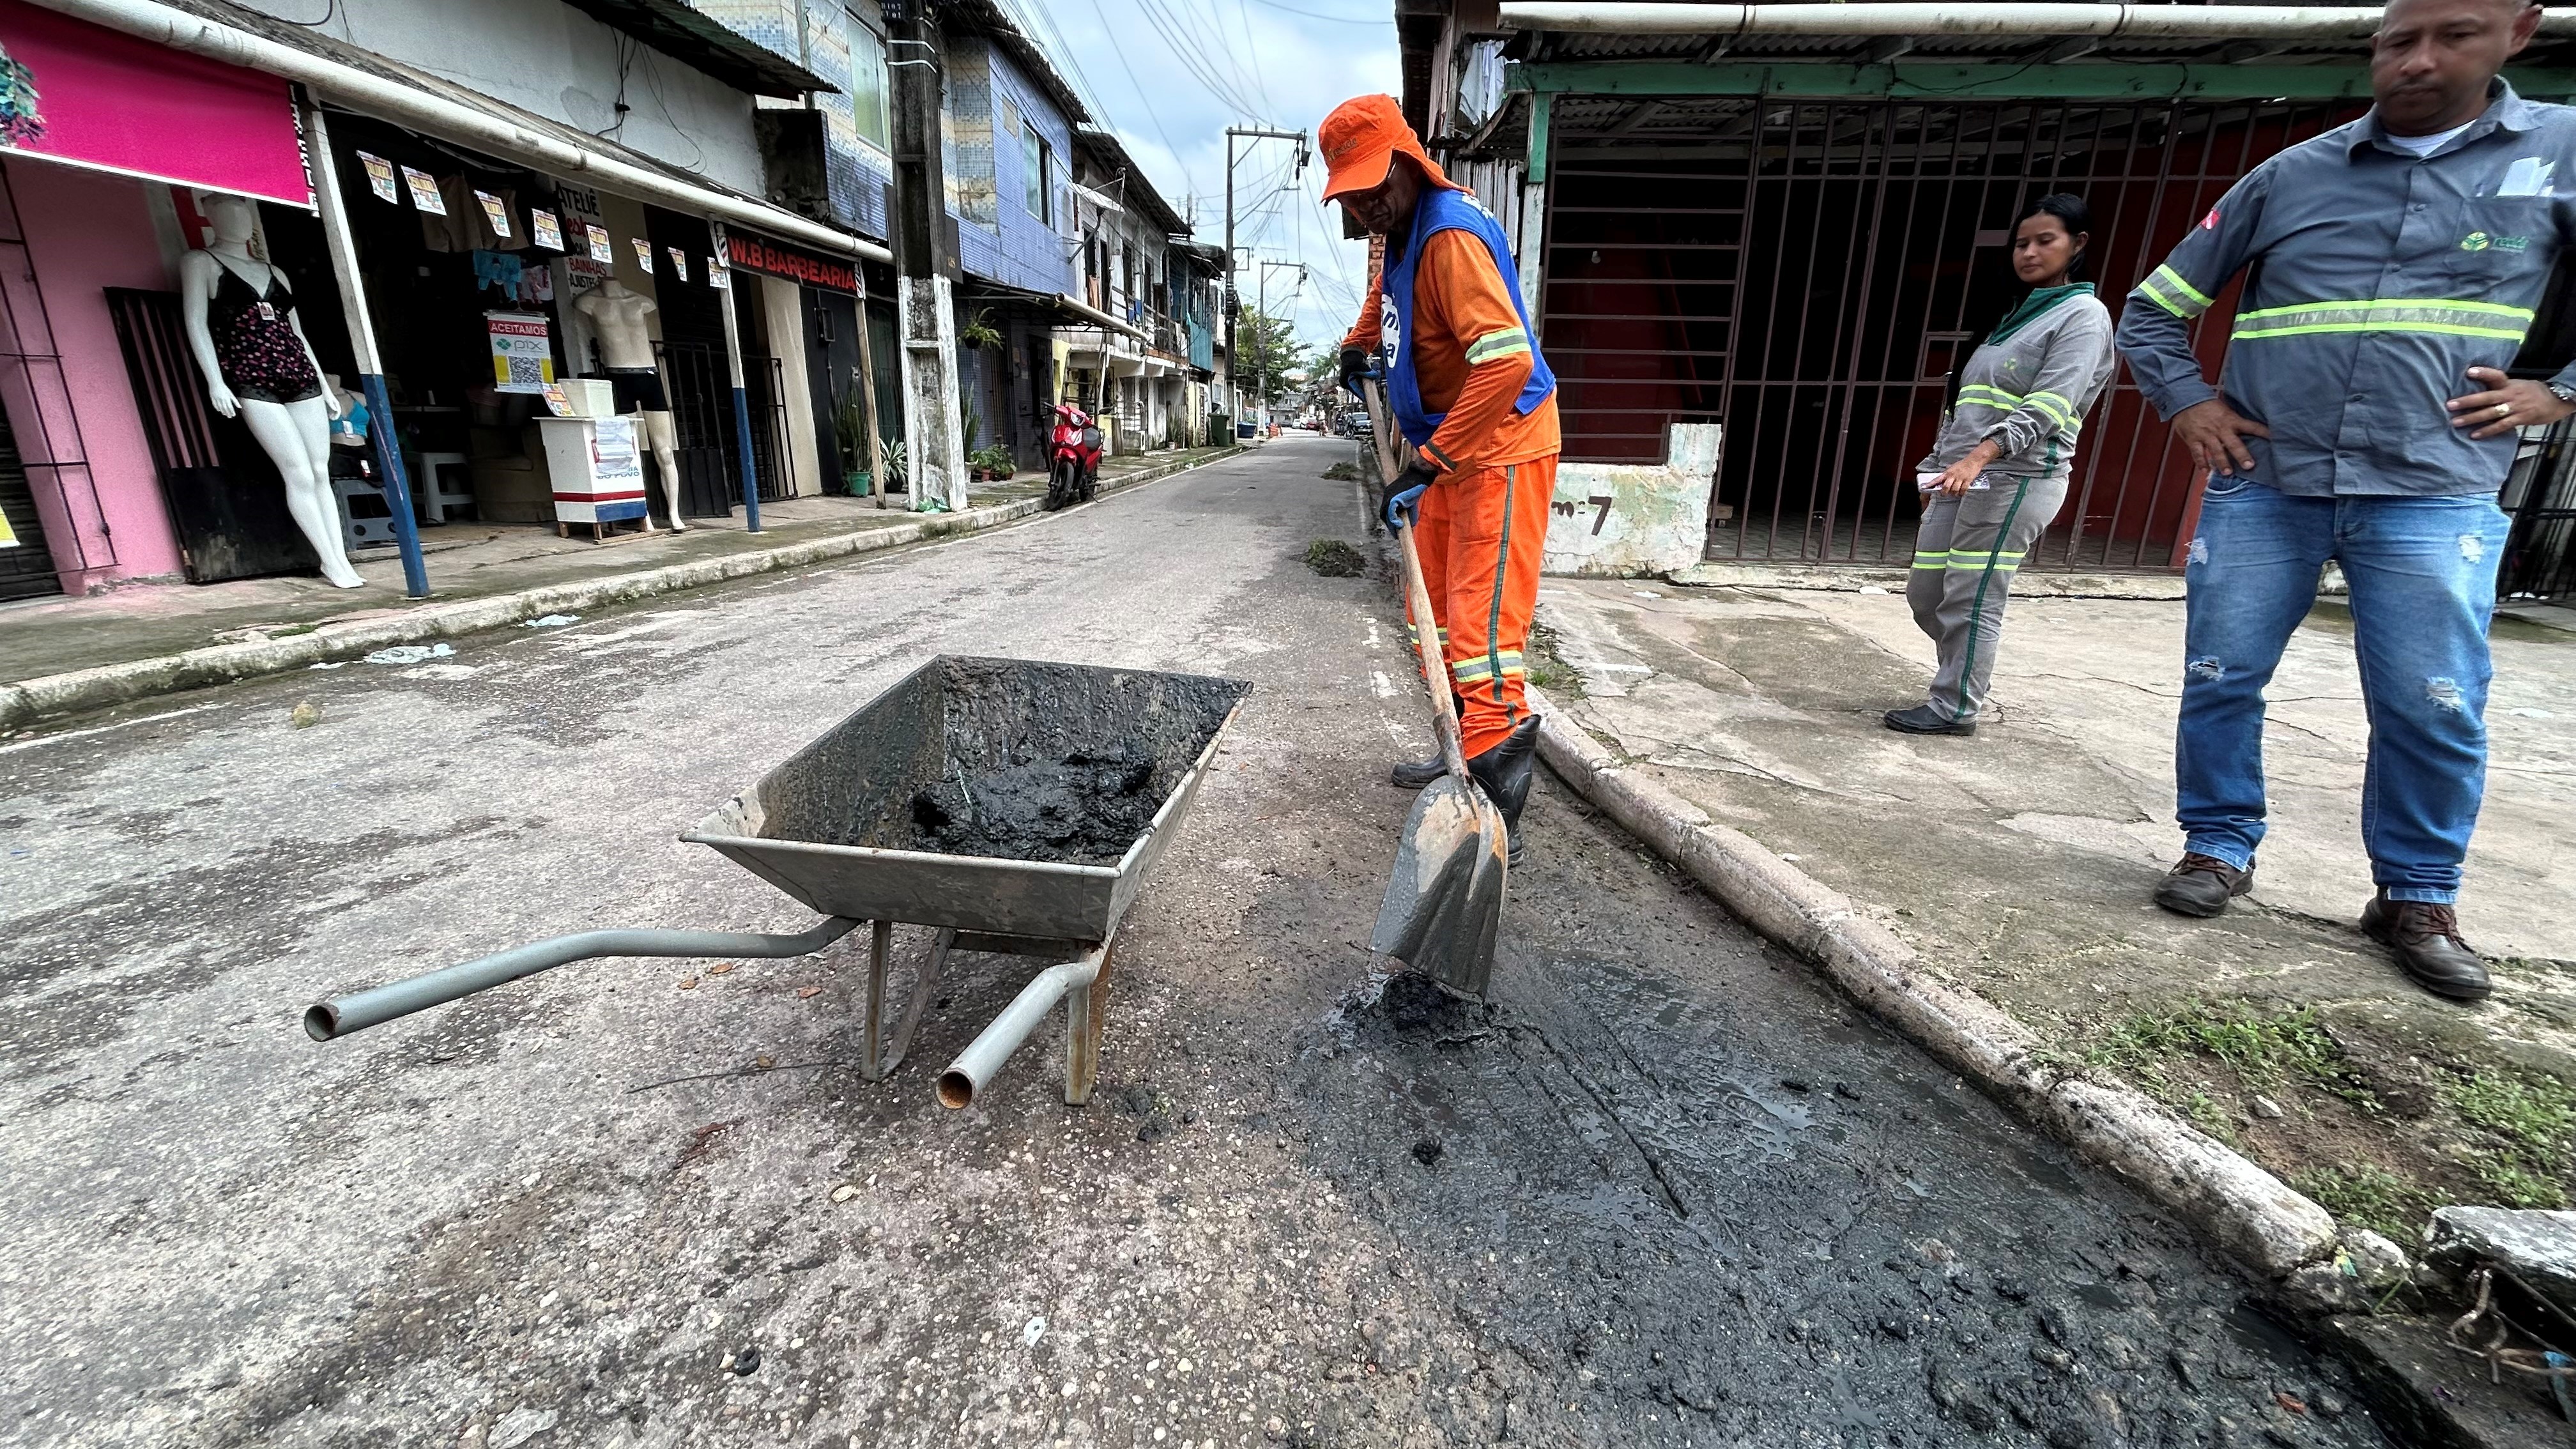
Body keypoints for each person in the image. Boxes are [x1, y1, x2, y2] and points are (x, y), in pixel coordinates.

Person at [2113, 0, 2572, 1002]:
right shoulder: (2294, 174)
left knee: (2432, 702)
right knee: (2221, 675)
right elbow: (2153, 313)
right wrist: (2190, 406)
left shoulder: (2560, 154)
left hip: (2432, 487)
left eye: (2452, 35)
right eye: (2397, 41)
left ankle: (2417, 893)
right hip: (2266, 482)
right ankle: (2218, 845)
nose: (2417, 60)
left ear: (2518, 32)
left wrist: (2560, 390)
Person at [1323, 93, 1560, 862]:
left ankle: (1493, 817)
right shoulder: (1399, 233)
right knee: (1436, 606)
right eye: (1351, 196)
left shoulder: (1451, 235)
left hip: (1499, 446)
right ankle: (1458, 748)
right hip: (1451, 449)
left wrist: (1427, 461)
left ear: (1407, 162)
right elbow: (1386, 304)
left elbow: (1506, 361)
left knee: (1485, 633)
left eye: (1372, 188)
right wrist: (1359, 344)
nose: (1365, 206)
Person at [1888, 194, 2117, 737]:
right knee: (1927, 596)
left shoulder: (2084, 316)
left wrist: (1979, 456)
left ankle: (1955, 707)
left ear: (2078, 245)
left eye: (2046, 241)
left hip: (2018, 478)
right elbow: (1965, 404)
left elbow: (2049, 406)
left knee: (1971, 597)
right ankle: (1964, 672)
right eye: (2022, 243)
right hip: (1960, 476)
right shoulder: (2014, 317)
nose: (2030, 252)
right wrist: (1937, 464)